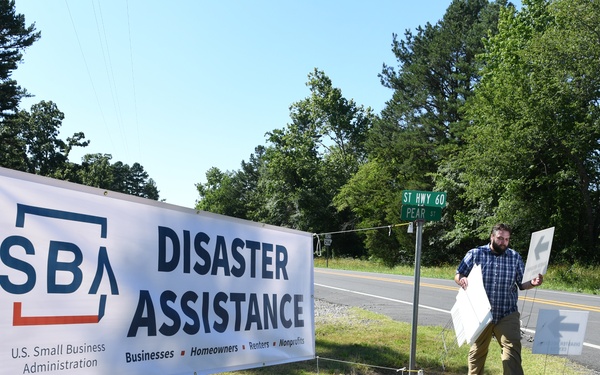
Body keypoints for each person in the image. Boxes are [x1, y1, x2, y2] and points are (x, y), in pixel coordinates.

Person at [454, 223, 543, 375]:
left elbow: (522, 283)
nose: (503, 242)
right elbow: (459, 273)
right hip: (481, 314)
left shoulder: (514, 257)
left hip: (507, 313)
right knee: (477, 353)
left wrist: (533, 283)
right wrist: (461, 280)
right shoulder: (476, 253)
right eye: (500, 238)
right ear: (492, 237)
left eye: (507, 239)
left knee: (512, 351)